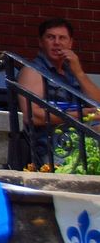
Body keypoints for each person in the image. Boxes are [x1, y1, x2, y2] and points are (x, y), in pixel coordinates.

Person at [16, 18, 100, 165]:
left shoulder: (71, 72)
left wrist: (79, 72)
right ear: (41, 42)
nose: (57, 43)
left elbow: (98, 105)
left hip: (77, 141)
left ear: (70, 43)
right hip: (51, 146)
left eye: (62, 38)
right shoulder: (32, 71)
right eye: (50, 37)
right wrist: (82, 115)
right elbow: (33, 116)